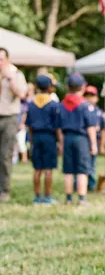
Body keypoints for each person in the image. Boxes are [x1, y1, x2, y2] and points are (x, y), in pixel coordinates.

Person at [59, 73, 97, 205]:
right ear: (83, 87)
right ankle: (82, 198)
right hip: (81, 139)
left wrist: (62, 143)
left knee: (68, 170)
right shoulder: (85, 105)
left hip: (67, 137)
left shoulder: (63, 104)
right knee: (82, 170)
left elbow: (59, 127)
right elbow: (90, 127)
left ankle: (68, 198)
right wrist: (93, 144)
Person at [26, 75, 62, 204]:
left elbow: (28, 125)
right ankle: (47, 197)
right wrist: (61, 142)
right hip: (49, 138)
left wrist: (31, 140)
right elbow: (57, 127)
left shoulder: (31, 104)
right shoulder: (53, 105)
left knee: (37, 169)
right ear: (49, 87)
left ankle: (37, 197)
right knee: (48, 169)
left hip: (36, 136)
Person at [0, 47, 28, 202]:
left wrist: (10, 79)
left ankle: (4, 190)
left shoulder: (16, 75)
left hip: (9, 117)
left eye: (1, 59)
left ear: (8, 59)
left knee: (5, 155)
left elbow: (22, 94)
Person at [83, 86, 105, 191]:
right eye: (87, 96)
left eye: (92, 96)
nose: (89, 98)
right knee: (81, 163)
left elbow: (103, 130)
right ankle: (78, 183)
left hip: (95, 140)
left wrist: (101, 145)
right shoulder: (81, 109)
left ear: (96, 98)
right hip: (83, 140)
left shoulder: (99, 112)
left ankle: (91, 184)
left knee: (92, 164)